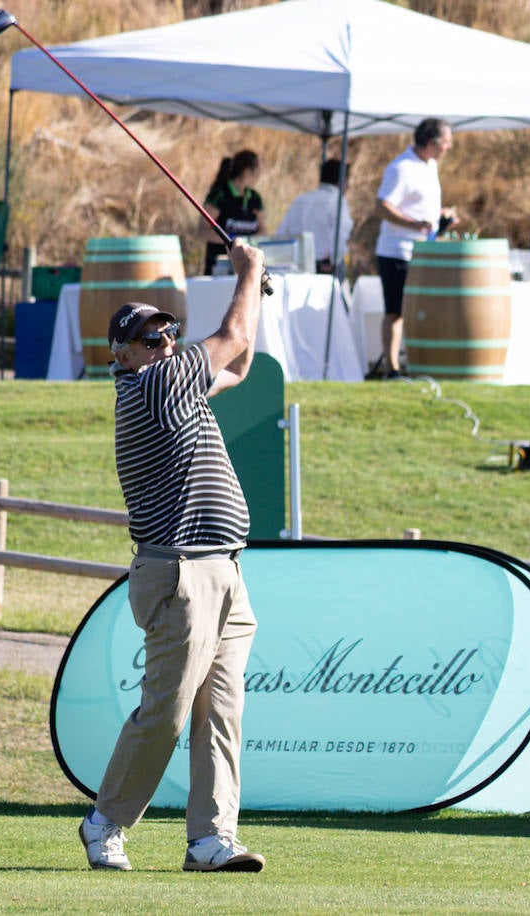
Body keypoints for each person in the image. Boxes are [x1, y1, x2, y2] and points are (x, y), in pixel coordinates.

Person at [78, 240, 267, 874]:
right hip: (180, 572)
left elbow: (240, 360)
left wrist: (255, 286)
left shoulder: (174, 387)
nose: (164, 346)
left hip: (224, 571)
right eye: (150, 339)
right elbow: (233, 331)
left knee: (222, 710)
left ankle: (211, 839)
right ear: (122, 355)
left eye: (168, 336)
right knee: (167, 714)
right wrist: (249, 274)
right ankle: (105, 821)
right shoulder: (154, 386)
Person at [369, 118, 458, 379]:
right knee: (395, 312)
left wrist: (441, 216)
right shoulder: (401, 168)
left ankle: (419, 363)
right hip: (397, 252)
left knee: (421, 310)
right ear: (432, 143)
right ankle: (392, 369)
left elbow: (418, 205)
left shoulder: (429, 166)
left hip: (424, 252)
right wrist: (414, 223)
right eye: (448, 142)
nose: (450, 147)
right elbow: (381, 206)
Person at [275, 158, 353, 275]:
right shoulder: (338, 201)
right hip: (324, 267)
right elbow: (340, 236)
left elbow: (282, 233)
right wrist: (334, 262)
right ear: (341, 181)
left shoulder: (301, 199)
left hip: (296, 266)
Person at [201, 150, 264, 276]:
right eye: (256, 171)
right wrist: (233, 240)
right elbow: (203, 231)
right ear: (246, 171)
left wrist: (249, 242)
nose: (258, 175)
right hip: (219, 268)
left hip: (247, 268)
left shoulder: (255, 198)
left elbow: (262, 230)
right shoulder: (220, 195)